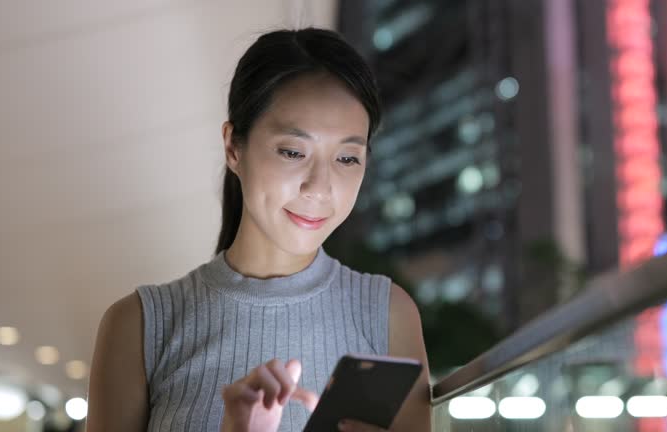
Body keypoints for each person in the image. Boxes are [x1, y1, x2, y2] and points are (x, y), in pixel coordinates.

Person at [86, 28, 431, 432]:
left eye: (347, 158)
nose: (320, 187)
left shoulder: (388, 315)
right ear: (234, 147)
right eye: (292, 152)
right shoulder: (139, 327)